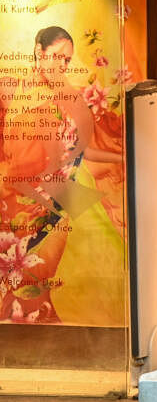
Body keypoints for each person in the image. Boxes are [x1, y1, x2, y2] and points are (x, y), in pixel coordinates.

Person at [0, 26, 122, 323]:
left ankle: (97, 332)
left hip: (68, 188)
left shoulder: (67, 95)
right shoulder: (26, 99)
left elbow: (82, 152)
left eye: (66, 60)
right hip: (40, 196)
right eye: (55, 56)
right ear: (39, 54)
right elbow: (23, 166)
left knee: (106, 245)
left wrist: (122, 156)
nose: (60, 65)